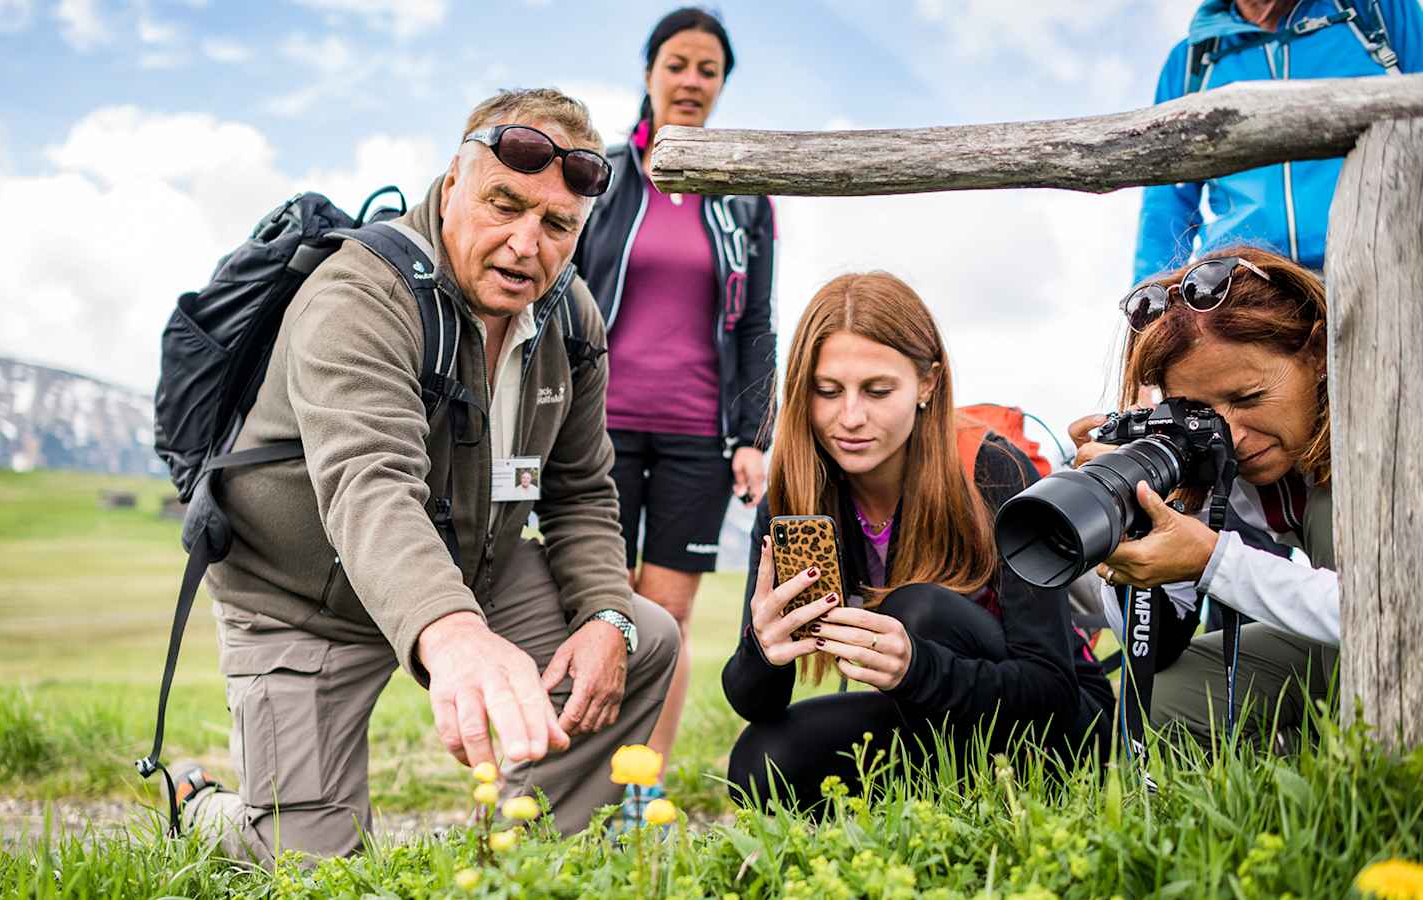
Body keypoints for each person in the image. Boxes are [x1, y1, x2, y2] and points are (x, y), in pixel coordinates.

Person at [177, 88, 679, 862]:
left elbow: (580, 491)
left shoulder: (572, 319)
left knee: (639, 637)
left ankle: (533, 855)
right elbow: (369, 484)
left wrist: (605, 614)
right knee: (313, 864)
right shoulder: (358, 294)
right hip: (302, 595)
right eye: (504, 205)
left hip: (473, 565)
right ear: (453, 184)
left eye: (555, 226)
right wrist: (453, 635)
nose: (525, 245)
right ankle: (199, 808)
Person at [722, 273, 1113, 813]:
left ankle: (982, 807)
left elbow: (1050, 689)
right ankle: (934, 809)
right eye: (827, 391)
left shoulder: (993, 471)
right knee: (759, 761)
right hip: (928, 720)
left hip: (1058, 726)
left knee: (919, 609)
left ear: (927, 384)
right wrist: (763, 649)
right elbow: (753, 701)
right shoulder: (794, 496)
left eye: (878, 391)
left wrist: (916, 669)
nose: (851, 418)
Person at [573, 7, 778, 784]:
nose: (691, 81)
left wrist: (753, 432)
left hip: (698, 436)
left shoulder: (746, 196)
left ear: (722, 85)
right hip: (598, 429)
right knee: (603, 609)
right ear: (650, 71)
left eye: (708, 70)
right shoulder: (603, 174)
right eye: (678, 64)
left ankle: (643, 786)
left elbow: (757, 321)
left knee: (668, 618)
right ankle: (584, 773)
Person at [1072, 246, 1336, 745]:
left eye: (1248, 397)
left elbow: (1385, 612)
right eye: (1200, 412)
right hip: (1340, 635)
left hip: (1391, 636)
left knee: (1328, 513)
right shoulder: (1220, 451)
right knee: (1160, 698)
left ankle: (1357, 766)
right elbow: (1154, 648)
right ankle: (1283, 779)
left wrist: (1213, 561)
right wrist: (1132, 511)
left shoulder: (1384, 433)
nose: (1230, 436)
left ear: (1317, 353)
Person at [1132, 0, 1422, 282]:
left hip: (1378, 263)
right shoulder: (1189, 62)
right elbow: (1166, 203)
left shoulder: (1375, 10)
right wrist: (1149, 298)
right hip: (1243, 284)